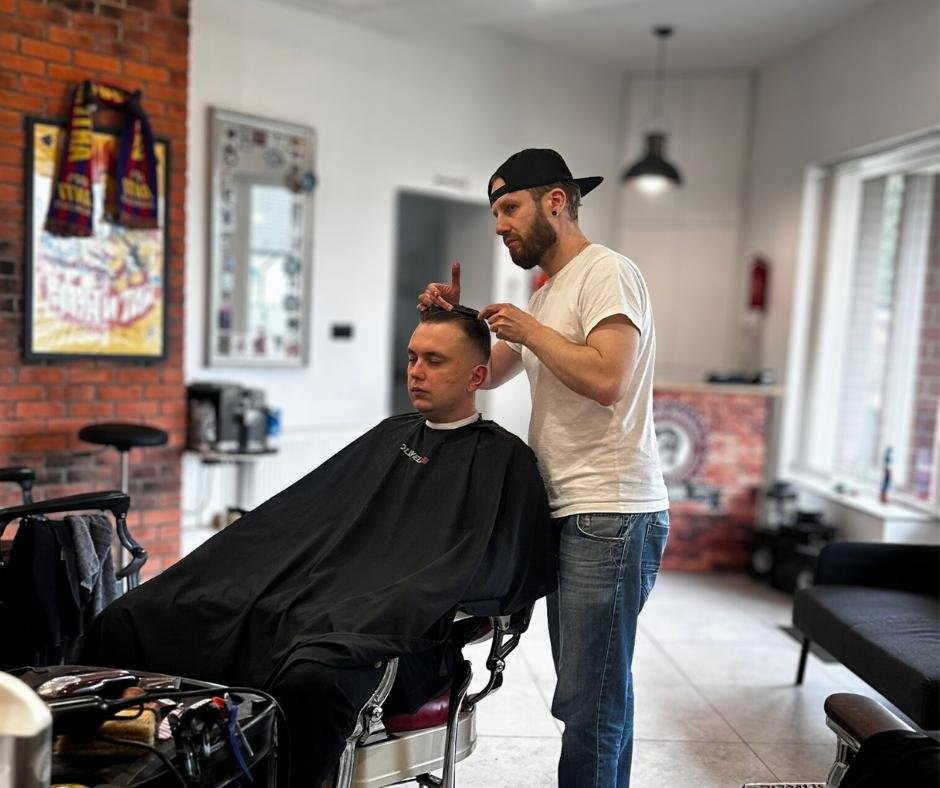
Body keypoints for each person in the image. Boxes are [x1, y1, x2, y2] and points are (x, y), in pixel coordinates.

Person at [82, 306, 556, 786]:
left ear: (477, 376)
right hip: (319, 598)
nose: (416, 371)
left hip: (401, 639)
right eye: (412, 357)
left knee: (311, 676)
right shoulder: (392, 435)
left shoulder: (504, 460)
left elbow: (498, 571)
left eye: (435, 361)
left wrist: (379, 606)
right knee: (135, 617)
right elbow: (309, 519)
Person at [419, 148, 669, 788]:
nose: (499, 225)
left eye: (509, 208)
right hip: (571, 507)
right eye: (494, 213)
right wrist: (453, 322)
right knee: (595, 694)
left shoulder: (606, 272)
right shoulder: (552, 290)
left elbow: (609, 379)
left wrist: (529, 330)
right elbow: (487, 374)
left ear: (555, 201)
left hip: (610, 511)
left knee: (589, 701)